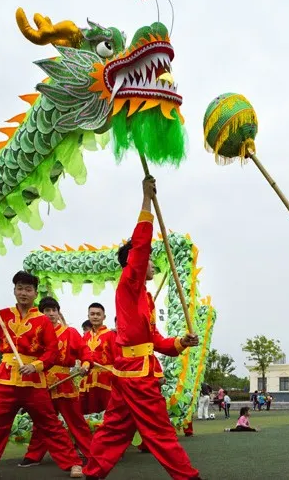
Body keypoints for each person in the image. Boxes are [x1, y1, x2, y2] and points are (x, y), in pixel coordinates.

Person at [82, 176, 201, 480]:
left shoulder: (144, 297)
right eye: (147, 261)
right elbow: (141, 248)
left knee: (113, 431)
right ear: (134, 262)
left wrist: (181, 342)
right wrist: (146, 201)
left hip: (130, 371)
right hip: (136, 375)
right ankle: (188, 477)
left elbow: (155, 341)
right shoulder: (130, 283)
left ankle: (93, 473)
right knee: (160, 431)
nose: (152, 265)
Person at [0, 271, 83, 479]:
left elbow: (52, 351)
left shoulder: (43, 321)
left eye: (28, 289)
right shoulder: (3, 314)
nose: (24, 292)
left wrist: (37, 366)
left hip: (33, 380)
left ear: (35, 293)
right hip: (6, 379)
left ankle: (73, 463)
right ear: (14, 291)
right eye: (20, 288)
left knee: (49, 423)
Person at [19, 297, 93, 468]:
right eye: (47, 311)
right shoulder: (36, 333)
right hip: (41, 381)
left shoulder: (70, 332)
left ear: (59, 312)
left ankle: (90, 453)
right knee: (43, 421)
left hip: (64, 382)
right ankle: (33, 455)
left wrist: (86, 364)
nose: (51, 314)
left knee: (76, 420)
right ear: (41, 313)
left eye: (54, 310)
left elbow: (85, 351)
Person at [79, 302, 116, 415]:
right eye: (92, 314)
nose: (95, 316)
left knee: (108, 413)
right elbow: (81, 356)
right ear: (88, 316)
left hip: (106, 380)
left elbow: (117, 356)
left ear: (104, 317)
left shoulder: (111, 335)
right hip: (88, 381)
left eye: (98, 314)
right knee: (89, 413)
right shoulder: (85, 337)